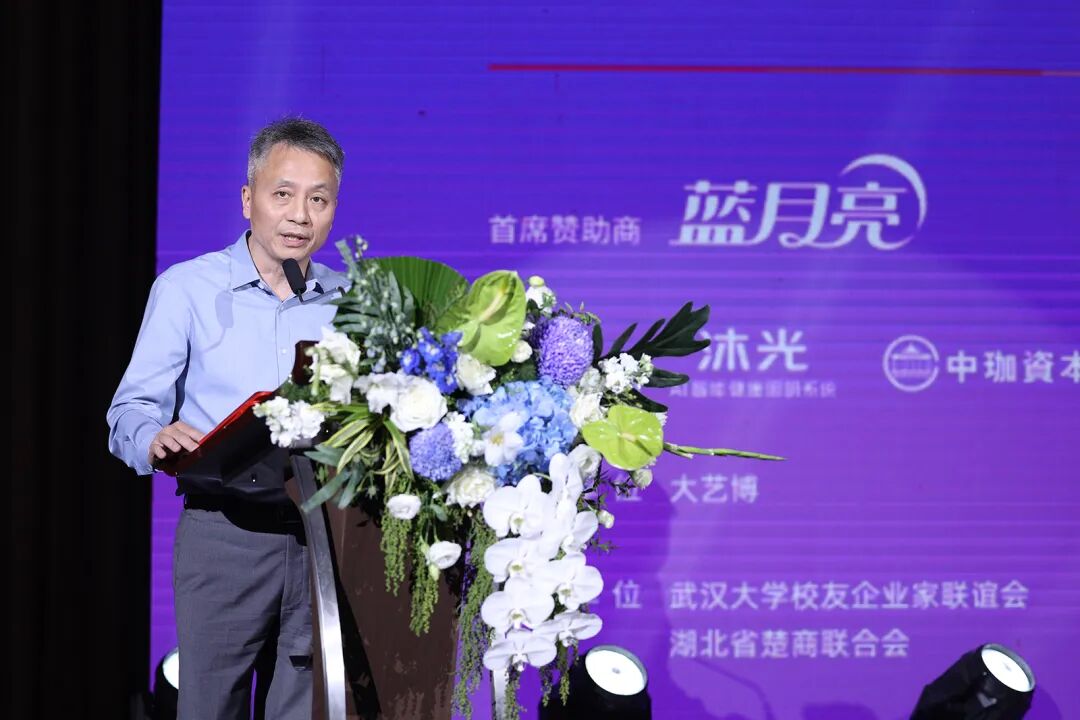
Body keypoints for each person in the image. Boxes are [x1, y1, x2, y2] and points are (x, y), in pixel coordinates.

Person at [107, 117, 349, 719]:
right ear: (248, 199)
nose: (300, 215)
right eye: (283, 194)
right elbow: (129, 410)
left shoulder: (352, 303)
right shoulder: (188, 289)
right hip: (223, 534)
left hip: (324, 539)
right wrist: (153, 436)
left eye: (318, 200)